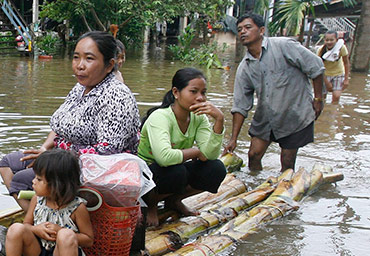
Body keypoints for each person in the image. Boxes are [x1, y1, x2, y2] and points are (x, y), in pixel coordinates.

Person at [0, 30, 140, 211]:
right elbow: (60, 124)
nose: (80, 65)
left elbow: (108, 151)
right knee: (8, 163)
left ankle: (49, 220)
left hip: (93, 170)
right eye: (76, 57)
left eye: (89, 59)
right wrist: (44, 149)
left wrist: (56, 159)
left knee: (20, 181)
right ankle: (46, 210)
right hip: (62, 156)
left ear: (109, 65)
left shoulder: (116, 95)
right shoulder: (80, 87)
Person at [0, 150, 93, 256]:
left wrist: (61, 231)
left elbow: (88, 239)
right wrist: (35, 230)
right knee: (16, 229)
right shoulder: (37, 200)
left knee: (66, 235)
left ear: (57, 185)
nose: (33, 182)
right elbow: (27, 225)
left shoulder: (78, 207)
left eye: (39, 179)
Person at [223, 13, 325, 172]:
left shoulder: (284, 46)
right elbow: (240, 105)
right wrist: (233, 139)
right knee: (253, 155)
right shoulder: (245, 68)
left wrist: (318, 99)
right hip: (267, 116)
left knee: (287, 161)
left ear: (261, 30)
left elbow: (316, 67)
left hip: (294, 114)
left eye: (248, 27)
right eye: (240, 29)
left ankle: (285, 190)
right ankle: (255, 185)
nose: (243, 32)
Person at [137, 68, 226, 227]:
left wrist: (219, 120)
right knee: (178, 172)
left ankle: (174, 200)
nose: (200, 98)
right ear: (176, 93)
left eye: (203, 92)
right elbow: (164, 158)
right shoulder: (160, 117)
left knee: (216, 169)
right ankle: (151, 205)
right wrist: (197, 151)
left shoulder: (199, 118)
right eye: (193, 92)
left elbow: (210, 156)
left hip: (172, 168)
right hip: (146, 176)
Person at [317, 31, 350, 104]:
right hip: (325, 74)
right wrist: (327, 82)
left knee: (336, 96)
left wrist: (346, 79)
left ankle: (334, 113)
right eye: (327, 40)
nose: (329, 42)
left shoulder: (341, 48)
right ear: (324, 41)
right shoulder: (320, 50)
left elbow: (346, 63)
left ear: (336, 40)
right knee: (322, 98)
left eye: (332, 40)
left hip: (338, 73)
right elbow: (319, 67)